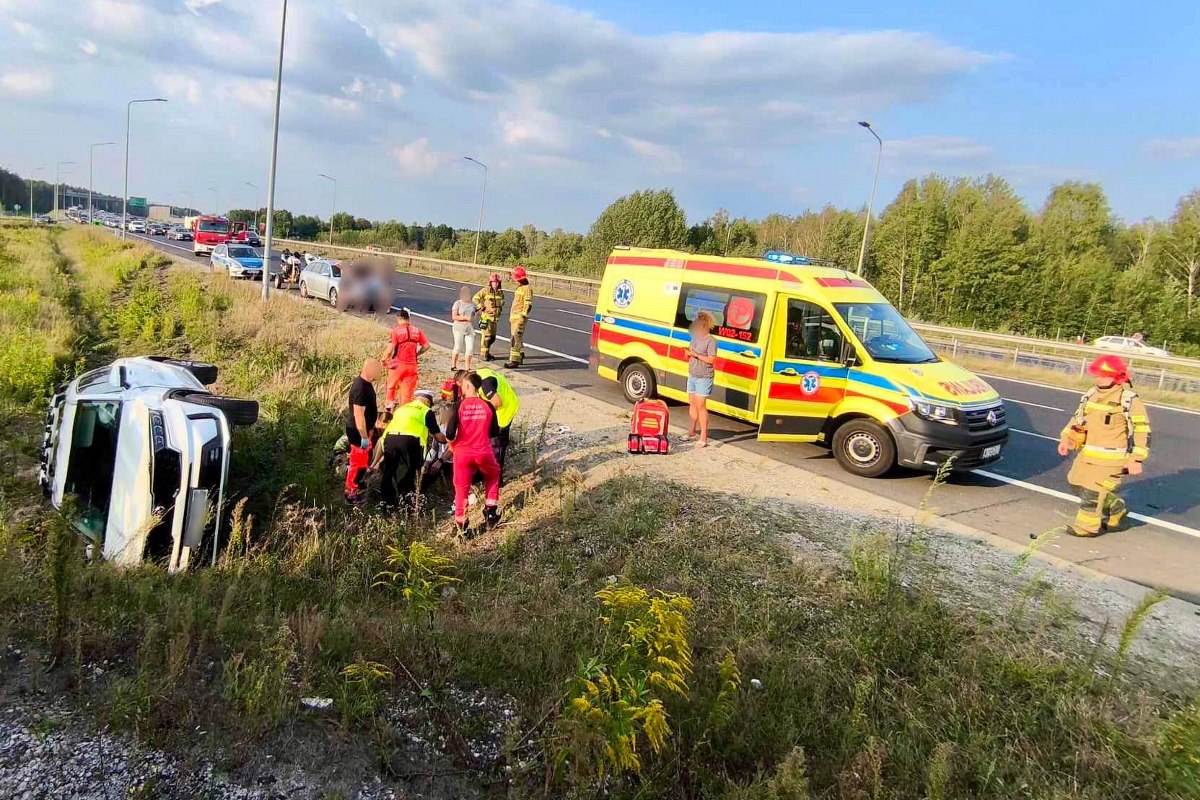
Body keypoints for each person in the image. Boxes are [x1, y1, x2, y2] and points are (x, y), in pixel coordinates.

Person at [1054, 355, 1151, 537]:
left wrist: (1136, 459)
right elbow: (1078, 418)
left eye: (1105, 375)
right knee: (1076, 483)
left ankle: (1086, 528)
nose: (1100, 378)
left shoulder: (1129, 400)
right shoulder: (1091, 395)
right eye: (1098, 374)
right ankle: (1116, 508)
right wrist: (1065, 438)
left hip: (1111, 459)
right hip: (1087, 454)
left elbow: (1142, 430)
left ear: (1118, 377)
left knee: (1092, 492)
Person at [446, 372, 502, 534]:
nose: (461, 388)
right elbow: (494, 432)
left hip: (462, 453)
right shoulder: (488, 405)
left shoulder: (459, 406)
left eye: (463, 385)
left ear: (468, 385)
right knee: (493, 474)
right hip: (483, 450)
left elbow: (450, 434)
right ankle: (490, 512)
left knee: (461, 488)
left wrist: (453, 445)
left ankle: (461, 525)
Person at [376, 390, 446, 511]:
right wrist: (450, 440)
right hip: (410, 440)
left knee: (389, 471)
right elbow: (438, 436)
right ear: (427, 401)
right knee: (412, 471)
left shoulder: (401, 409)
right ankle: (408, 502)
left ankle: (387, 504)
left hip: (390, 439)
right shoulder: (426, 411)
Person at [344, 358, 383, 503]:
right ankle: (350, 493)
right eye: (377, 370)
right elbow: (358, 415)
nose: (379, 373)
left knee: (362, 462)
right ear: (368, 369)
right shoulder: (360, 388)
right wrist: (364, 436)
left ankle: (358, 484)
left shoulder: (366, 384)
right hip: (358, 432)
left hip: (364, 431)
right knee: (357, 463)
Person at [471, 367, 520, 479]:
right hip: (499, 408)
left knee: (498, 444)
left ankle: (496, 478)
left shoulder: (485, 384)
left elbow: (497, 402)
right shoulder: (478, 376)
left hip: (504, 410)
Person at [381, 308, 429, 408]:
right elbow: (426, 346)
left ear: (398, 318)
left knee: (391, 387)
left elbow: (389, 350)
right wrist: (416, 354)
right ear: (408, 319)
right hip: (412, 366)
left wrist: (383, 359)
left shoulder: (396, 331)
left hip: (398, 365)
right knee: (407, 394)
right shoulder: (417, 330)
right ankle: (404, 410)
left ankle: (389, 409)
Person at [683, 310, 718, 447]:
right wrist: (687, 354)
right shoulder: (695, 338)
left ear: (704, 326)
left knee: (701, 405)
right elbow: (689, 356)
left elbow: (711, 359)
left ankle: (703, 437)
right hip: (693, 374)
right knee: (692, 403)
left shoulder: (711, 341)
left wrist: (696, 355)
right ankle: (691, 432)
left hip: (704, 376)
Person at [504, 266, 533, 368]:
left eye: (514, 278)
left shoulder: (527, 289)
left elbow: (528, 304)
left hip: (520, 318)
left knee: (515, 338)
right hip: (514, 317)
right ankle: (519, 356)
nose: (514, 280)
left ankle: (514, 361)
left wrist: (522, 317)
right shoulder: (520, 287)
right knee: (516, 338)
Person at [473, 273, 505, 362]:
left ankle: (487, 352)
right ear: (490, 282)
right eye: (494, 282)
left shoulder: (500, 292)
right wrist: (481, 306)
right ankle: (484, 354)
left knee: (492, 337)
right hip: (486, 317)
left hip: (495, 319)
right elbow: (475, 298)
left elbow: (501, 303)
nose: (496, 284)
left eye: (497, 282)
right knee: (487, 336)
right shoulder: (485, 290)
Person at [450, 286, 477, 371]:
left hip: (469, 328)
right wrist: (465, 318)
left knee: (470, 348)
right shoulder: (457, 303)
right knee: (458, 347)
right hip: (459, 327)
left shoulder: (472, 304)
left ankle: (467, 367)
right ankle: (453, 365)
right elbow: (454, 316)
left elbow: (476, 313)